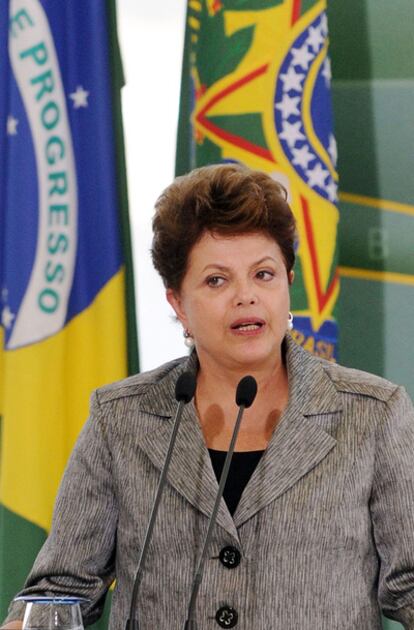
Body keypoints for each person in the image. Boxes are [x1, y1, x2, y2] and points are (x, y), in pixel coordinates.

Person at [3, 164, 414, 629]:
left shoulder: (372, 415)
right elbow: (60, 594)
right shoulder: (122, 420)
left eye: (264, 274)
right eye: (217, 280)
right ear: (178, 302)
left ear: (288, 281)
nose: (246, 296)